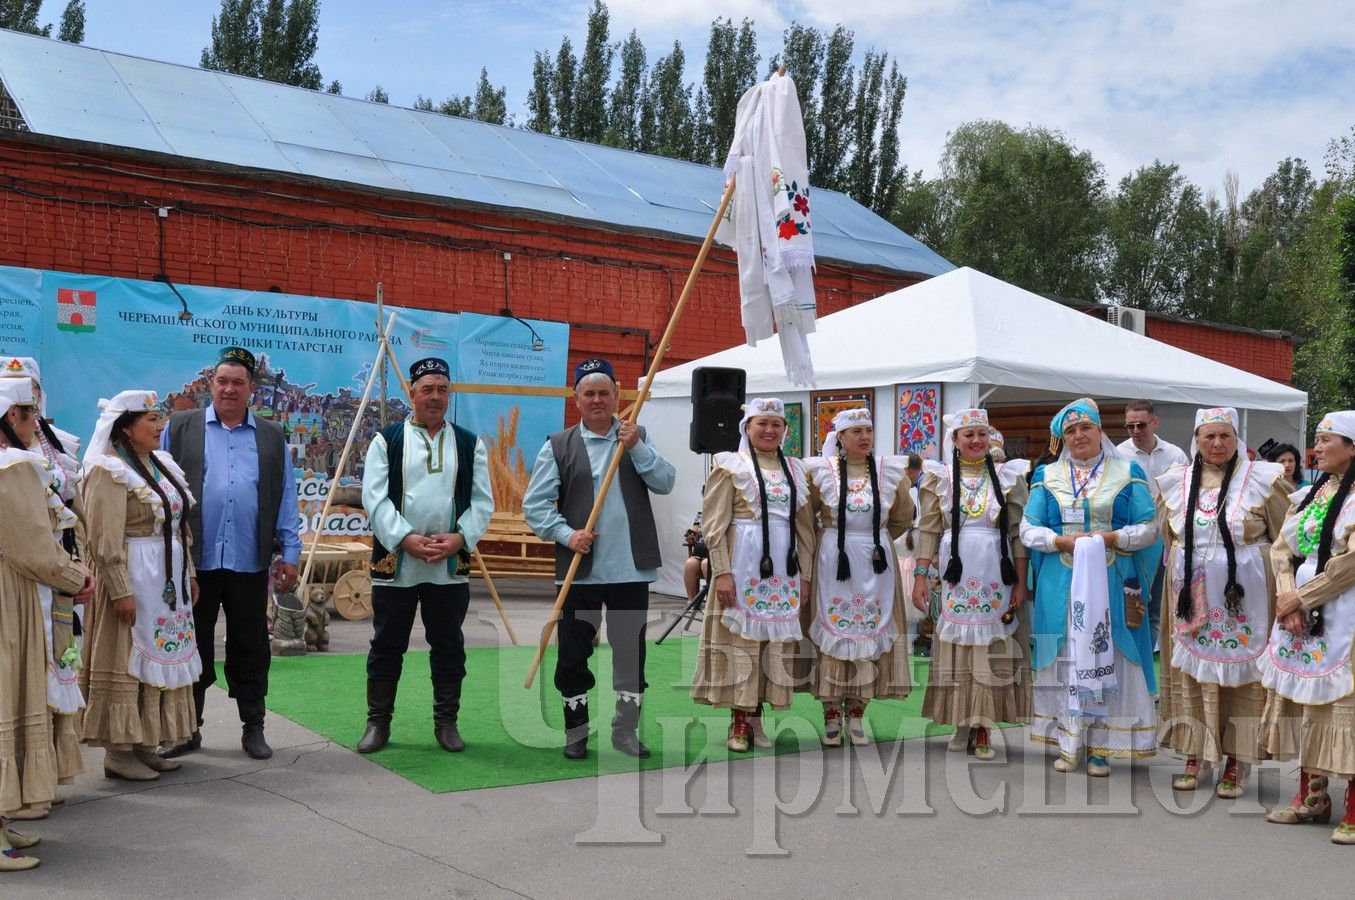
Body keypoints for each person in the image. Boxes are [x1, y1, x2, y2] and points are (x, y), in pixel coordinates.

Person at [523, 358, 675, 760]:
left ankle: (624, 732)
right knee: (573, 655)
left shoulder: (636, 436)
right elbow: (536, 506)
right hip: (579, 571)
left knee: (630, 653)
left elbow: (665, 482)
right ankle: (576, 732)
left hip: (630, 569)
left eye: (603, 392)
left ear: (616, 396)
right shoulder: (558, 445)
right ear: (576, 399)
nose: (596, 399)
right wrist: (566, 535)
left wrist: (636, 447)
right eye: (588, 393)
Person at [160, 347, 301, 761]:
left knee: (251, 646)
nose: (229, 389)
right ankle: (188, 728)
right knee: (192, 645)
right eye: (222, 381)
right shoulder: (180, 428)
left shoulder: (271, 435)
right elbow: (164, 490)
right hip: (194, 563)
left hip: (249, 561)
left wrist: (290, 551)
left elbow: (286, 496)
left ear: (251, 389)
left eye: (238, 382)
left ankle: (253, 727)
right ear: (210, 385)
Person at [356, 358, 493, 754]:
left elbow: (483, 501)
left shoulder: (469, 443)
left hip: (448, 566)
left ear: (449, 395)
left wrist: (460, 538)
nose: (435, 396)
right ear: (411, 393)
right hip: (397, 562)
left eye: (442, 389)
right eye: (427, 389)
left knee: (449, 644)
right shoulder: (387, 439)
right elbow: (374, 498)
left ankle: (446, 723)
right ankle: (378, 724)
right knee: (386, 643)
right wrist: (405, 538)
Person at [1021, 398, 1161, 775]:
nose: (1079, 435)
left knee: (1106, 653)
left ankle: (1102, 744)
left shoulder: (1127, 471)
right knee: (1068, 653)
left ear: (1100, 431)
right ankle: (1070, 738)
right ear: (1062, 439)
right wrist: (1058, 542)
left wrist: (1114, 537)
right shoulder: (1046, 477)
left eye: (1086, 428)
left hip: (1112, 580)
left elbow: (1151, 528)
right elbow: (1028, 528)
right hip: (1061, 583)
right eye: (1070, 430)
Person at [1155, 408, 1288, 797]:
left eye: (1225, 436)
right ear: (1195, 440)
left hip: (1245, 597)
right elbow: (1169, 537)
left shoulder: (1264, 480)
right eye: (1209, 436)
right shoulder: (1175, 483)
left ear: (1237, 439)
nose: (1217, 444)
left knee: (1242, 677)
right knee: (1192, 675)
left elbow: (1284, 541)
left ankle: (1237, 759)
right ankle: (1195, 752)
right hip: (1191, 594)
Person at [80, 390, 202, 784]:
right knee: (126, 658)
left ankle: (146, 743)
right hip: (134, 575)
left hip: (167, 577)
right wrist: (119, 589)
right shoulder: (108, 470)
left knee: (163, 654)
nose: (159, 425)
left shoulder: (160, 464)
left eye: (159, 417)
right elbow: (102, 539)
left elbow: (178, 525)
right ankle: (119, 750)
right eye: (150, 419)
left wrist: (191, 573)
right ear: (126, 429)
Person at [0, 379, 92, 871]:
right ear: (9, 418)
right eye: (29, 414)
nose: (38, 424)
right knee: (7, 694)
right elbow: (32, 545)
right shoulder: (10, 467)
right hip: (9, 596)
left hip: (13, 589)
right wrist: (74, 577)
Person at [691, 398, 815, 752]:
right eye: (762, 423)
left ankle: (759, 718)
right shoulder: (731, 466)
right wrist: (722, 572)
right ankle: (740, 720)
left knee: (772, 644)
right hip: (743, 562)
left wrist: (804, 576)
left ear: (784, 431)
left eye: (776, 424)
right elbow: (715, 524)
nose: (769, 430)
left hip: (783, 567)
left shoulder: (796, 470)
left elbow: (805, 529)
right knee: (741, 642)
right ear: (748, 428)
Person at [1258, 411, 1355, 844]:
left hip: (1343, 607)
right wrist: (1286, 599)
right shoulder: (1312, 494)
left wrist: (1303, 597)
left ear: (1352, 448)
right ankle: (1312, 796)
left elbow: (1349, 563)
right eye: (1315, 438)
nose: (1316, 447)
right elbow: (1281, 551)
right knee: (1306, 702)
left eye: (1326, 439)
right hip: (1302, 610)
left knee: (1344, 707)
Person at [915, 409, 1031, 761]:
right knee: (958, 649)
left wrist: (1021, 584)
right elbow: (929, 530)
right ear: (955, 440)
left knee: (989, 649)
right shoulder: (939, 479)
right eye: (968, 435)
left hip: (996, 574)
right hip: (956, 576)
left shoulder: (1008, 477)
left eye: (982, 434)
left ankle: (983, 727)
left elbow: (1017, 534)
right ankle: (960, 723)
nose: (976, 441)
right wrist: (920, 576)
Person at [803, 408, 913, 746]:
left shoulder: (891, 472)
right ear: (840, 438)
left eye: (868, 430)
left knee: (871, 631)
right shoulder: (818, 472)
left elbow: (902, 517)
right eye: (856, 431)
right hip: (833, 559)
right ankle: (831, 713)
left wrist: (872, 540)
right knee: (835, 628)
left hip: (875, 561)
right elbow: (806, 518)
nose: (864, 437)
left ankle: (857, 712)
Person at [1117, 399, 1188, 647]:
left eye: (1141, 425)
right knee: (1132, 602)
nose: (1136, 431)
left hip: (1166, 537)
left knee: (1159, 601)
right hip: (1133, 539)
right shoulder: (1119, 455)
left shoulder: (1175, 454)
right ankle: (1135, 656)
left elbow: (1185, 493)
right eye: (1130, 426)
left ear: (1155, 422)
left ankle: (1152, 655)